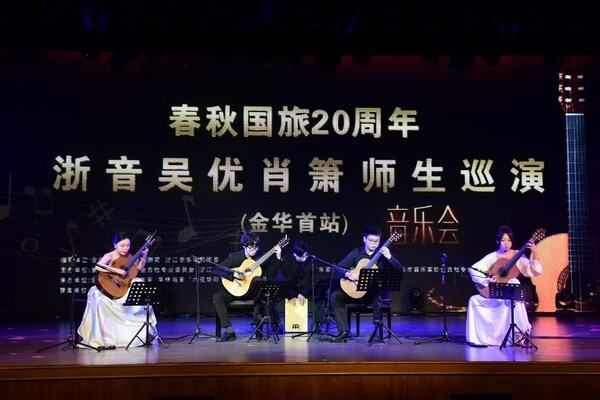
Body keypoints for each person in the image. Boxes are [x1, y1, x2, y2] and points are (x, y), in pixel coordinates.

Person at [466, 225, 542, 347]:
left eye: (509, 240)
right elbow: (473, 269)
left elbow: (533, 271)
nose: (506, 243)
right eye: (503, 240)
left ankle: (518, 334)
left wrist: (535, 252)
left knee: (514, 283)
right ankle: (478, 339)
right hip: (495, 294)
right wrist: (487, 280)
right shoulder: (493, 256)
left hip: (509, 296)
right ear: (498, 241)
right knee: (473, 300)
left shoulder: (518, 255)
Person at [78, 232, 154, 348]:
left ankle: (139, 333)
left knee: (140, 284)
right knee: (98, 298)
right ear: (115, 245)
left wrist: (144, 256)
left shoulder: (130, 256)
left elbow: (139, 268)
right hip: (108, 287)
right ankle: (104, 337)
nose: (125, 248)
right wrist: (116, 270)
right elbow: (98, 266)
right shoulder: (110, 255)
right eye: (122, 245)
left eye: (128, 245)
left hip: (122, 289)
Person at [327, 226, 403, 342]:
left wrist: (389, 257)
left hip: (371, 296)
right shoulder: (356, 253)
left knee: (376, 292)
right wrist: (348, 274)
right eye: (370, 240)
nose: (373, 244)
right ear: (364, 239)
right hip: (355, 292)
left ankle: (377, 330)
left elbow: (399, 270)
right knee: (335, 296)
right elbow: (337, 268)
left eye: (376, 241)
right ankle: (343, 331)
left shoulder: (383, 256)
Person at [212, 231, 282, 341]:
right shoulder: (235, 257)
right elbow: (216, 269)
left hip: (253, 294)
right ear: (244, 246)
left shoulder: (260, 258)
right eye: (251, 247)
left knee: (258, 281)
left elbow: (271, 274)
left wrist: (278, 257)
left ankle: (257, 317)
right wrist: (233, 275)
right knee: (218, 297)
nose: (254, 250)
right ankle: (229, 332)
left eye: (256, 247)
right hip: (236, 290)